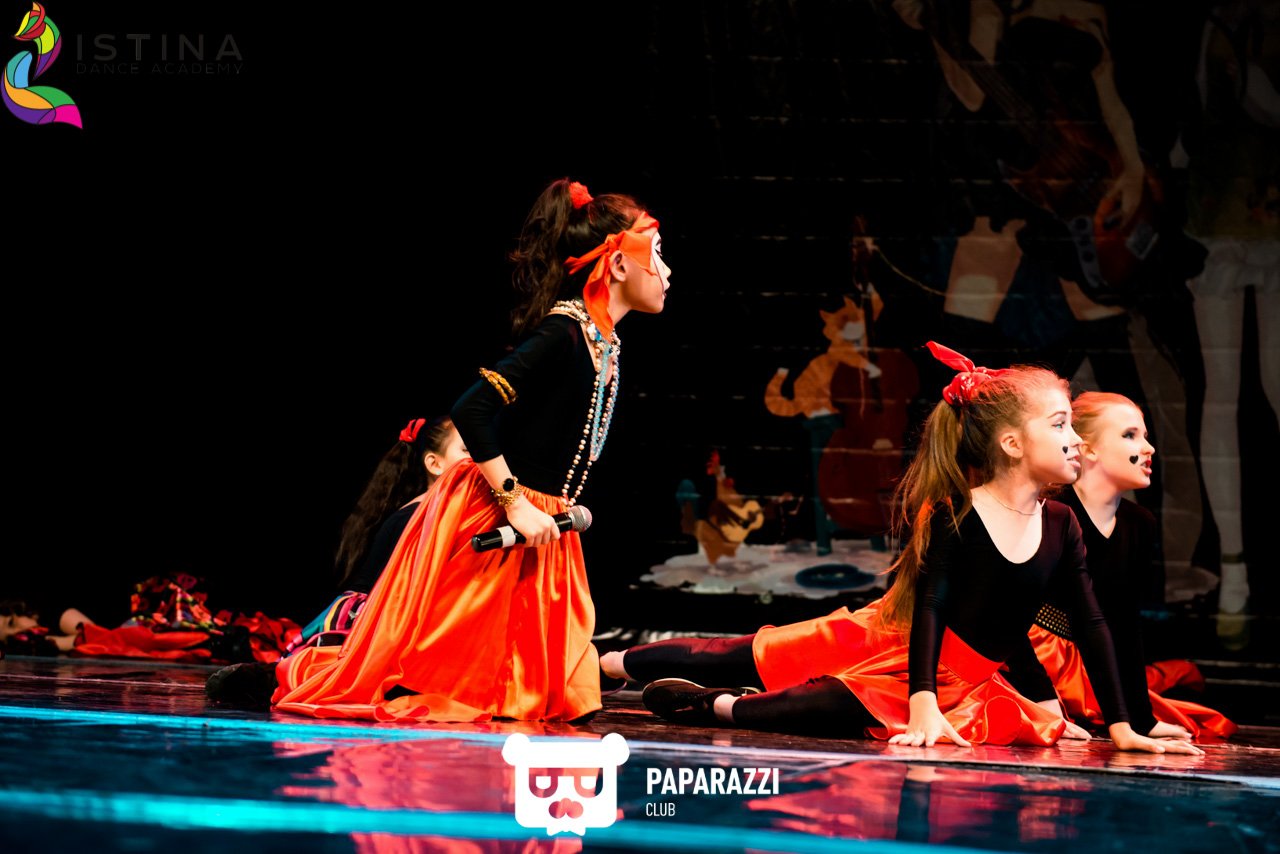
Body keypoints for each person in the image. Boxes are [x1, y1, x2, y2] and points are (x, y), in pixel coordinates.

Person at [210, 178, 671, 720]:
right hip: (500, 510)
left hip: (543, 521)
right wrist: (515, 501)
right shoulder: (563, 333)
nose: (666, 272)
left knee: (542, 695)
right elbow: (473, 409)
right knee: (440, 680)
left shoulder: (601, 342)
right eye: (657, 254)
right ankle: (273, 677)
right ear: (617, 265)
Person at [602, 343, 1200, 755]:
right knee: (746, 653)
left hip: (964, 677)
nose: (1074, 441)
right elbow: (932, 610)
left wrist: (1120, 724)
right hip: (888, 640)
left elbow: (1088, 625)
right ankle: (604, 665)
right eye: (1061, 425)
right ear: (1013, 444)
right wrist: (923, 701)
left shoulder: (1061, 524)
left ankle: (717, 707)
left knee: (831, 707)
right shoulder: (957, 514)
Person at [1007, 392, 1237, 739]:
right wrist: (1043, 699)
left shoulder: (1138, 524)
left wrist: (1141, 718)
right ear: (1089, 449)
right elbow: (1008, 614)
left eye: (1144, 436)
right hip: (1027, 658)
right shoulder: (1048, 511)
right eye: (1130, 435)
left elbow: (1125, 623)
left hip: (1089, 662)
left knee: (1194, 716)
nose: (1149, 448)